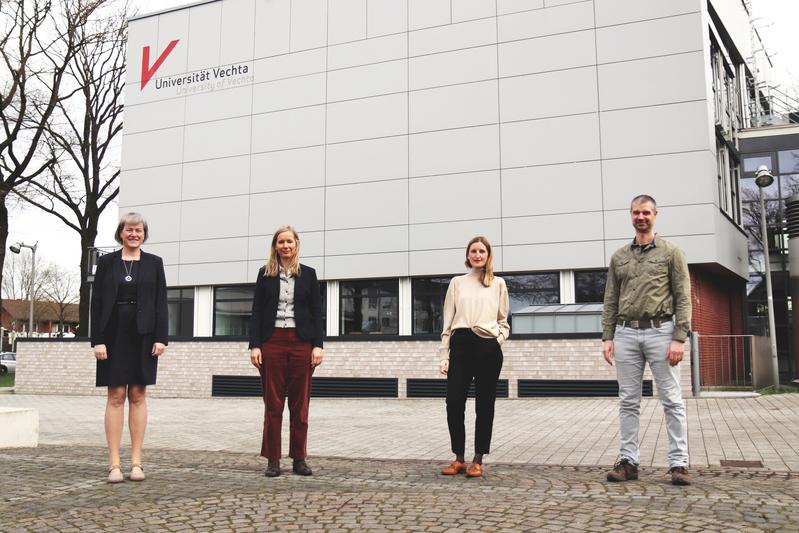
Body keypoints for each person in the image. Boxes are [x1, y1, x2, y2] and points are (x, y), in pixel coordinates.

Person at [602, 195, 692, 486]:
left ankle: (679, 464)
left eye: (646, 212)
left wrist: (679, 337)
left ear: (656, 215)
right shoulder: (619, 257)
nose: (641, 217)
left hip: (661, 333)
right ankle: (628, 462)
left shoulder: (671, 253)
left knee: (672, 400)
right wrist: (607, 336)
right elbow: (610, 300)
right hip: (626, 334)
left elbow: (683, 297)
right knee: (628, 401)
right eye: (636, 212)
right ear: (630, 215)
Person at [91, 212, 168, 483]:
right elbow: (97, 302)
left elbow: (161, 303)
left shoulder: (154, 263)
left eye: (139, 230)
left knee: (137, 394)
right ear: (120, 233)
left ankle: (136, 462)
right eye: (129, 230)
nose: (134, 234)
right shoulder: (106, 262)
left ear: (144, 234)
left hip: (144, 335)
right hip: (112, 335)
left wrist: (161, 338)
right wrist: (97, 339)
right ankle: (114, 464)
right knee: (115, 396)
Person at [249, 225, 324, 477]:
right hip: (272, 342)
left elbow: (317, 314)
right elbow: (257, 311)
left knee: (300, 405)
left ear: (296, 244)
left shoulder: (309, 275)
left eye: (289, 241)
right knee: (273, 405)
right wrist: (255, 345)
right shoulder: (265, 274)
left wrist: (317, 345)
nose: (285, 246)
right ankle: (273, 459)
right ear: (275, 246)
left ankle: (299, 458)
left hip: (302, 342)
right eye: (281, 242)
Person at [438, 236, 509, 478]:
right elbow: (447, 321)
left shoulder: (497, 283)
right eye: (473, 251)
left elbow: (503, 321)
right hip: (460, 344)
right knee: (454, 402)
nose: (477, 255)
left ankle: (478, 459)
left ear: (488, 255)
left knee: (485, 404)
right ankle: (459, 457)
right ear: (467, 255)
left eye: (482, 251)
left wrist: (496, 340)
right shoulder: (457, 283)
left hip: (487, 346)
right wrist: (444, 354)